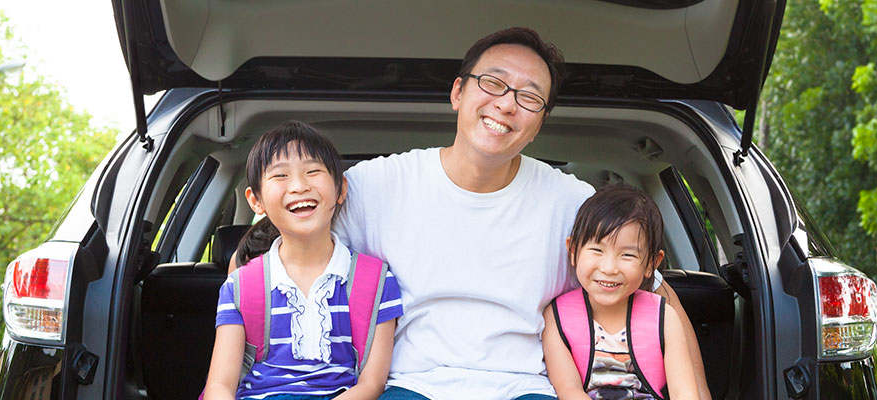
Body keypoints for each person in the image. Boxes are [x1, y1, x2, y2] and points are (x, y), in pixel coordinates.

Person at [332, 27, 709, 399]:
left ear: (538, 125)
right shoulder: (375, 186)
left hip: (527, 387)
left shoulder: (572, 201)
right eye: (493, 83)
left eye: (529, 97)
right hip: (411, 384)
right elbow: (291, 263)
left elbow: (657, 296)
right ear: (458, 92)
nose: (507, 104)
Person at [204, 121, 404, 400]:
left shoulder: (377, 282)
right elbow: (219, 386)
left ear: (340, 189)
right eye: (280, 176)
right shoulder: (239, 287)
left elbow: (371, 384)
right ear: (256, 201)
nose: (299, 186)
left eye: (313, 171)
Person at [542, 184, 699, 400]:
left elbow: (685, 394)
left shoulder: (664, 318)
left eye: (627, 255)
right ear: (573, 250)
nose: (609, 268)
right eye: (597, 250)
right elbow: (570, 391)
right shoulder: (557, 316)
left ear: (651, 264)